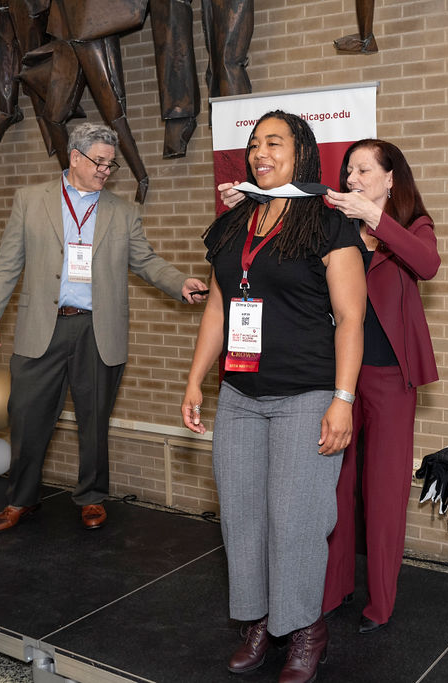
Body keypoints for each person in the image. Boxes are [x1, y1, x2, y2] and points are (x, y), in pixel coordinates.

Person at [221, 139, 440, 636]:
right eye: (349, 170)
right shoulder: (329, 223)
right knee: (331, 491)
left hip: (387, 376)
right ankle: (329, 591)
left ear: (391, 179)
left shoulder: (410, 227)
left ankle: (380, 603)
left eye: (365, 170)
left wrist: (377, 220)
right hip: (334, 376)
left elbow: (428, 264)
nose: (354, 178)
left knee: (383, 493)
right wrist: (246, 201)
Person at [182, 110, 365, 683]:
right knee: (242, 518)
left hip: (307, 394)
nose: (261, 152)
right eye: (255, 143)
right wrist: (194, 378)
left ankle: (306, 629)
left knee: (297, 521)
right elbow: (219, 307)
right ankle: (260, 619)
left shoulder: (328, 222)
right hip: (239, 394)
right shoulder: (235, 220)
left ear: (301, 151)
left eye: (275, 142)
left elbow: (352, 318)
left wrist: (343, 399)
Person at [0, 122, 208, 534]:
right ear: (75, 157)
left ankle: (91, 498)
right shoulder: (30, 200)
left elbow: (146, 261)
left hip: (97, 330)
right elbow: (8, 260)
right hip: (41, 327)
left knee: (94, 418)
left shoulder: (124, 212)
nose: (106, 170)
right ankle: (21, 500)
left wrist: (179, 282)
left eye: (110, 163)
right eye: (99, 162)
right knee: (27, 416)